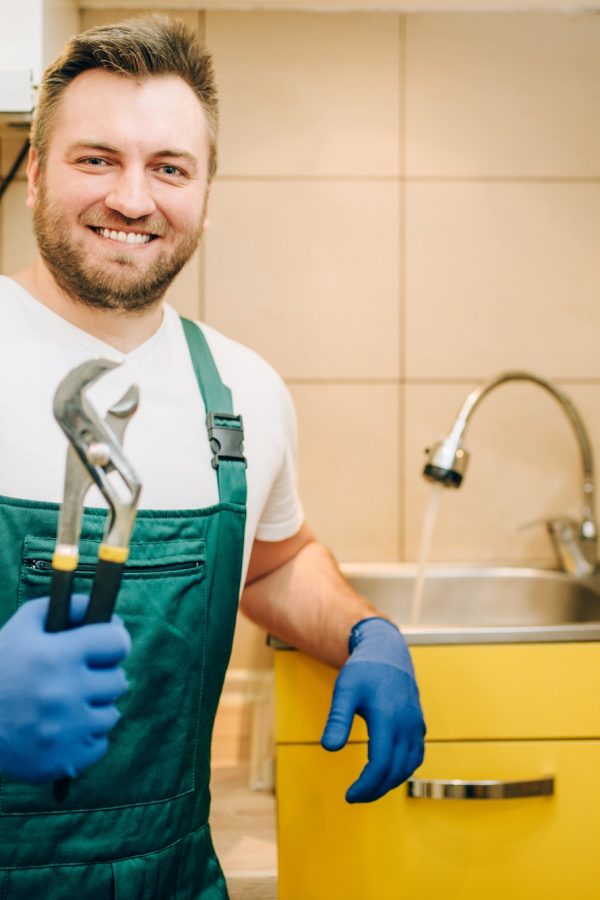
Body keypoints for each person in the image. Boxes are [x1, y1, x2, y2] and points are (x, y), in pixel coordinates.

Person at [0, 14, 425, 898]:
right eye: (95, 159)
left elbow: (274, 562)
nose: (132, 198)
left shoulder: (242, 392)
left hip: (176, 875)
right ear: (36, 171)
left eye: (169, 168)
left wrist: (366, 632)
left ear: (205, 190)